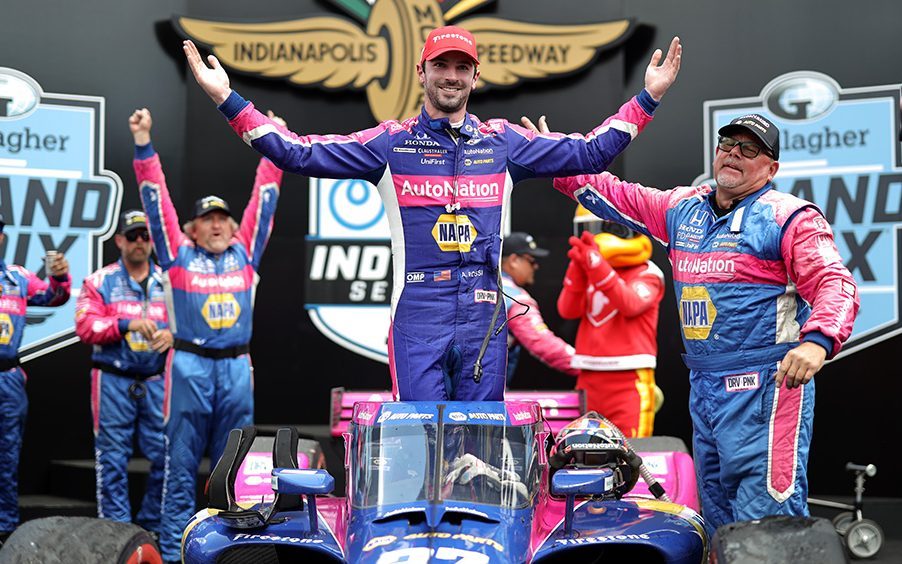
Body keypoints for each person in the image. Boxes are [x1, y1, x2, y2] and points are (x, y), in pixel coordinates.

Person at [182, 27, 682, 402]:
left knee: (479, 447)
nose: (451, 76)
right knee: (419, 441)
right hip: (419, 308)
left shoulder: (504, 141)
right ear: (422, 72)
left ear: (475, 76)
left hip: (486, 309)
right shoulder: (389, 143)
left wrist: (648, 98)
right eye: (441, 65)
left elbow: (591, 154)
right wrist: (227, 100)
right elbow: (297, 152)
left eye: (462, 67)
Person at [526, 113, 860, 534]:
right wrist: (556, 156)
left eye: (750, 149)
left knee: (766, 519)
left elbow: (835, 282)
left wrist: (817, 341)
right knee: (716, 515)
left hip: (767, 387)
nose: (734, 154)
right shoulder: (684, 209)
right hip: (704, 387)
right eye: (727, 144)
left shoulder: (789, 217)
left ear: (771, 168)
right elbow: (614, 194)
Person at [129, 108, 283, 562]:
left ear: (234, 227)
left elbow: (266, 198)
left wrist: (271, 147)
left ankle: (227, 553)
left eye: (223, 218)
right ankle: (177, 553)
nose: (216, 224)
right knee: (180, 466)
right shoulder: (175, 254)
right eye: (207, 219)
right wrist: (143, 146)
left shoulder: (247, 253)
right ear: (193, 229)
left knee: (233, 468)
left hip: (236, 368)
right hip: (189, 366)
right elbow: (155, 200)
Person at [74, 209, 172, 533]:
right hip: (112, 379)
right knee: (112, 459)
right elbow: (85, 327)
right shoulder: (99, 281)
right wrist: (126, 324)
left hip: (157, 380)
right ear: (119, 241)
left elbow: (189, 325)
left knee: (166, 457)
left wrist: (172, 335)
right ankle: (114, 533)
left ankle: (150, 527)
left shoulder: (168, 282)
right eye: (133, 236)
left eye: (145, 236)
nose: (140, 242)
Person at [557, 208, 664, 438]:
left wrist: (597, 267)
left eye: (599, 230)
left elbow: (630, 303)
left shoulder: (648, 273)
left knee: (632, 450)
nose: (594, 239)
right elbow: (567, 310)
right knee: (585, 446)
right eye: (588, 231)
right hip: (589, 374)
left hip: (629, 378)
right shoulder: (588, 266)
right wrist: (577, 270)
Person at [0, 217, 70, 541]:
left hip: (8, 378)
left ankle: (4, 529)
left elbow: (55, 297)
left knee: (7, 457)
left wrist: (59, 276)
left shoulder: (18, 277)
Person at [500, 232, 576, 384]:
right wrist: (585, 365)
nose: (536, 266)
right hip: (484, 393)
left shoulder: (477, 285)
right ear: (514, 260)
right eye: (532, 260)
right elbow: (540, 341)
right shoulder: (516, 299)